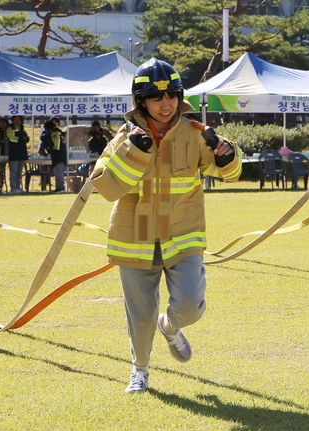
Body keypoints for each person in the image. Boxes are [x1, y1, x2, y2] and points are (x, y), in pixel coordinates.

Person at [90, 58, 241, 393]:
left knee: (189, 304)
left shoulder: (196, 134)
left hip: (182, 235)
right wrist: (136, 153)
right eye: (157, 97)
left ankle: (170, 326)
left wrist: (228, 155)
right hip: (136, 237)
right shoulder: (124, 138)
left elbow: (229, 174)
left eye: (172, 95)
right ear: (141, 101)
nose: (166, 103)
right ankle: (139, 371)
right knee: (140, 317)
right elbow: (106, 187)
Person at [39, 117, 67, 193]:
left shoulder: (55, 133)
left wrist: (48, 150)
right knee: (57, 172)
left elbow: (56, 146)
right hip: (59, 155)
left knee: (59, 172)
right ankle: (59, 187)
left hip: (58, 155)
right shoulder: (57, 132)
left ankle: (61, 187)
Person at [8, 115, 29, 194]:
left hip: (22, 152)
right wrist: (21, 139)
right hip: (14, 153)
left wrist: (24, 139)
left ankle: (18, 187)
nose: (18, 121)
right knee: (13, 171)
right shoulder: (10, 128)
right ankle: (13, 188)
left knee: (19, 172)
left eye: (19, 119)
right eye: (16, 119)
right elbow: (12, 138)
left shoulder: (22, 128)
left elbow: (27, 138)